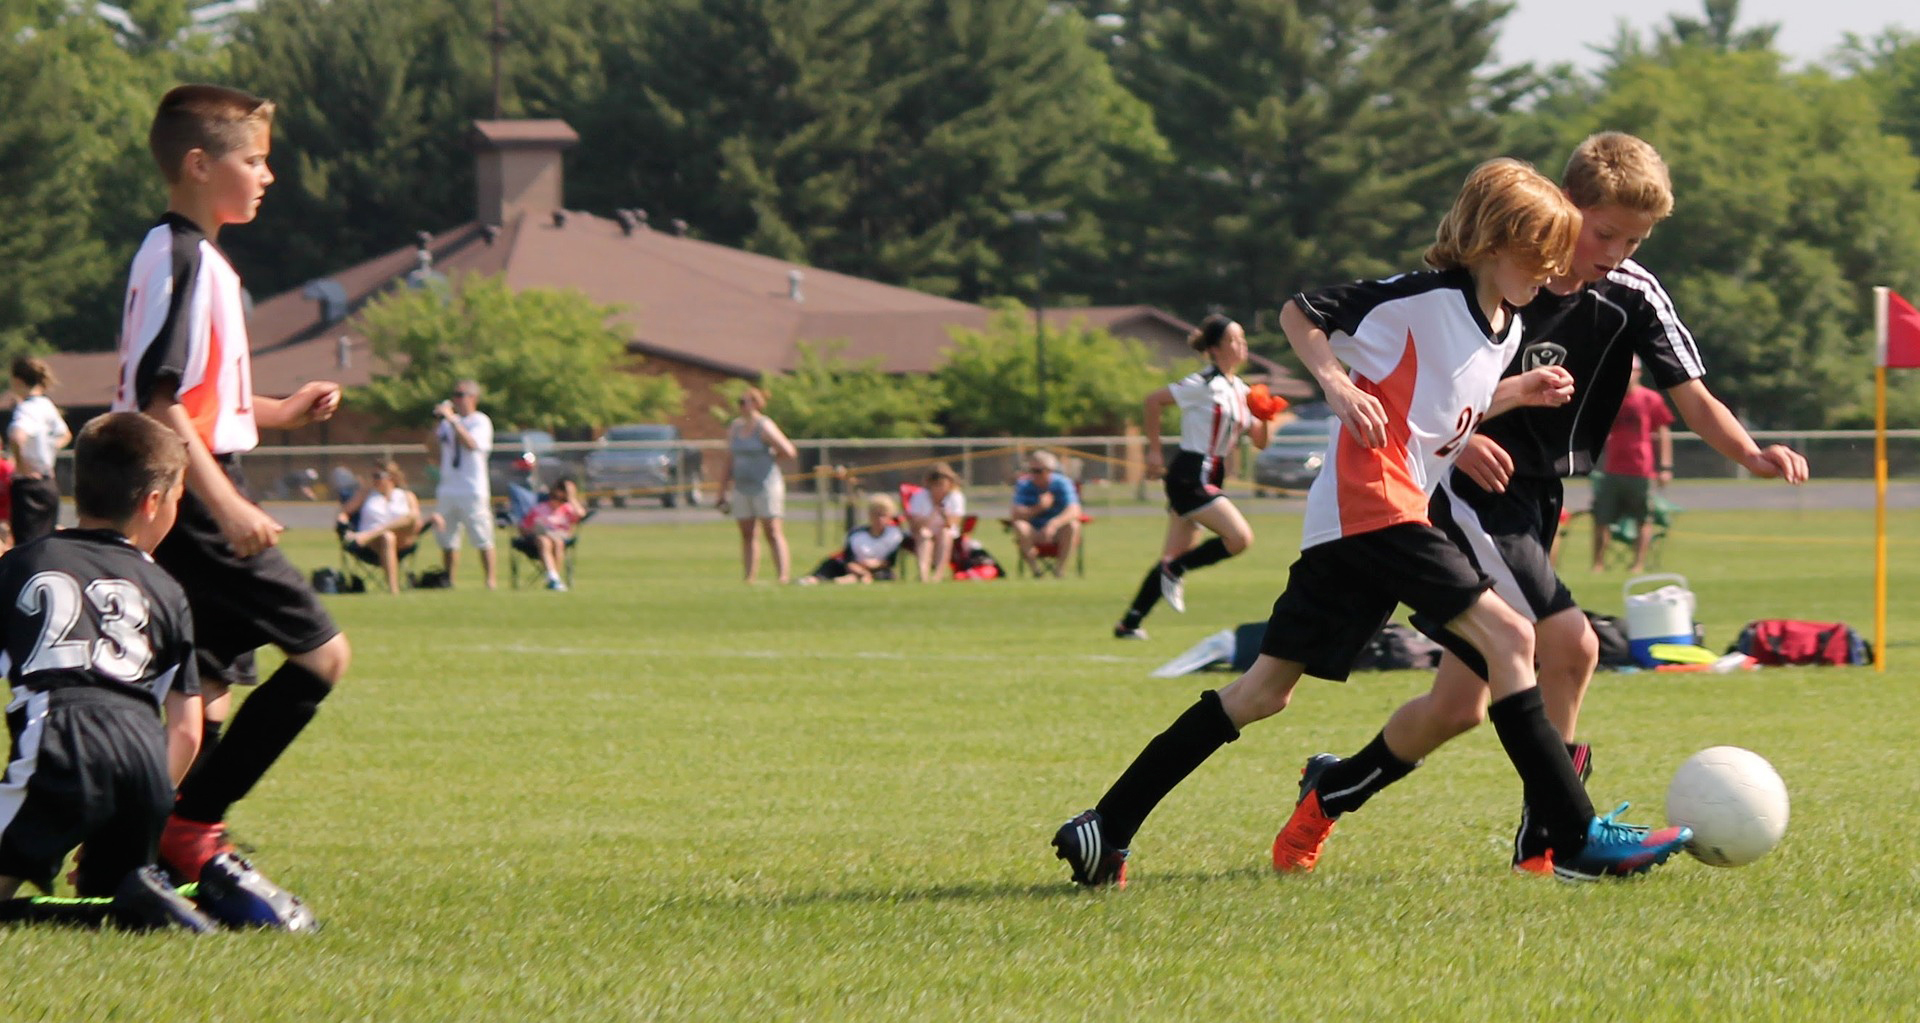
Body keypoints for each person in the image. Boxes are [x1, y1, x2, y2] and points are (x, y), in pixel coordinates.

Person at [1053, 157, 1691, 890]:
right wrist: (1335, 385)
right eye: (1537, 254)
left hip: (1359, 524)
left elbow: (1445, 409)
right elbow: (1303, 311)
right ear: (1491, 241)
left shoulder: (1505, 328)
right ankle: (1572, 836)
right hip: (1375, 506)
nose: (1550, 271)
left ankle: (1106, 824)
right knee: (1514, 635)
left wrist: (1518, 391)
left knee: (1263, 692)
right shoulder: (1420, 297)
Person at [1271, 132, 1808, 877]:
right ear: (1563, 209)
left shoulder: (1631, 295)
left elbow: (1691, 393)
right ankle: (1555, 838)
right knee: (1572, 643)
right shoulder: (1495, 279)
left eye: (1635, 238)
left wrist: (1750, 451)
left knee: (1458, 706)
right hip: (1467, 496)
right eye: (1605, 231)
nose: (1616, 249)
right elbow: (1425, 388)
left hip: (1537, 499)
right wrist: (1460, 442)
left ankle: (1330, 790)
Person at [113, 84, 349, 893]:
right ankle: (191, 831)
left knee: (203, 696)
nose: (267, 175)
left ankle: (127, 846)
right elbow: (159, 399)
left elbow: (204, 400)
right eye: (253, 159)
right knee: (323, 656)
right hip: (191, 498)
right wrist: (228, 505)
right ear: (198, 163)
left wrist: (279, 409)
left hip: (191, 486)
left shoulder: (191, 255)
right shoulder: (180, 256)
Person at [0, 413, 208, 930]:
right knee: (114, 905)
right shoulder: (167, 589)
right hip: (145, 765)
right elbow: (187, 728)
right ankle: (157, 901)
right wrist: (141, 806)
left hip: (60, 743)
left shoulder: (23, 564)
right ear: (152, 503)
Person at [1112, 314, 1276, 639]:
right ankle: (1176, 570)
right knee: (1239, 539)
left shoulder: (1241, 390)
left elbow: (1260, 441)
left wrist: (1266, 417)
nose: (1241, 346)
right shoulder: (1202, 384)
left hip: (1212, 473)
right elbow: (1153, 400)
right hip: (1190, 473)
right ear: (1214, 349)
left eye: (1243, 340)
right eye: (1233, 340)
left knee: (1172, 556)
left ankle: (1129, 623)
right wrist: (1155, 450)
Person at [1591, 357, 1674, 572]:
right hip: (1612, 468)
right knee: (1602, 517)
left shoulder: (1650, 399)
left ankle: (1637, 564)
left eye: (1631, 371)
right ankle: (1598, 563)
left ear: (1639, 373)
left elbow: (1663, 432)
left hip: (1641, 470)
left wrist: (1665, 467)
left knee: (1643, 519)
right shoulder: (1611, 398)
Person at [717, 387, 798, 583]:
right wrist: (722, 490)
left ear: (756, 403)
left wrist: (769, 461)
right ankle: (749, 577)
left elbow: (788, 450)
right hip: (742, 486)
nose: (741, 406)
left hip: (766, 485)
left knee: (772, 530)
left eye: (744, 401)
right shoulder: (735, 427)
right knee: (747, 532)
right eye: (740, 402)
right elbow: (729, 459)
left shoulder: (764, 425)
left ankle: (782, 576)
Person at [428, 379, 495, 589]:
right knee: (447, 538)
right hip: (448, 487)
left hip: (472, 488)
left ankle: (490, 580)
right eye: (455, 395)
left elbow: (472, 444)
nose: (457, 399)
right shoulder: (448, 423)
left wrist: (454, 421)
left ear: (473, 398)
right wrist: (437, 423)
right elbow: (431, 449)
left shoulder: (480, 421)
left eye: (461, 395)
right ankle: (449, 580)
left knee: (482, 535)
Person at [9, 356, 73, 544]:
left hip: (29, 486)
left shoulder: (25, 409)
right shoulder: (47, 405)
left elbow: (16, 436)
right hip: (48, 484)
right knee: (47, 542)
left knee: (27, 547)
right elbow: (65, 435)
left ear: (18, 380)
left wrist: (22, 465)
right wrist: (49, 449)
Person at [336, 460, 423, 594]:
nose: (373, 479)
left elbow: (415, 520)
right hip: (373, 545)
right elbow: (344, 513)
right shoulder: (366, 494)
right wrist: (343, 524)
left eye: (377, 475)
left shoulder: (407, 496)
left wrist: (369, 534)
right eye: (372, 476)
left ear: (391, 477)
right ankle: (394, 590)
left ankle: (371, 534)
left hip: (402, 541)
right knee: (387, 538)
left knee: (410, 517)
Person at [1008, 449, 1083, 578]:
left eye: (1038, 471)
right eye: (1031, 470)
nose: (1034, 475)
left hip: (1058, 531)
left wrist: (1053, 524)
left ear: (1050, 470)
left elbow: (1075, 510)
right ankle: (1036, 571)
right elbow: (1016, 513)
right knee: (1020, 526)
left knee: (1073, 525)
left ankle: (1059, 570)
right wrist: (1039, 507)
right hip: (1033, 530)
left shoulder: (1062, 483)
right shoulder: (1024, 484)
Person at [801, 493, 905, 584]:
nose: (880, 519)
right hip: (850, 567)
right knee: (829, 568)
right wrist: (861, 571)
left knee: (886, 575)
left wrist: (875, 564)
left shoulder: (894, 536)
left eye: (883, 515)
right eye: (876, 515)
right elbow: (848, 560)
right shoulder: (856, 535)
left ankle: (852, 579)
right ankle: (814, 579)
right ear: (870, 515)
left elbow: (889, 561)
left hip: (877, 570)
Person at [518, 476, 587, 591]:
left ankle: (554, 579)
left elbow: (581, 515)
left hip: (559, 537)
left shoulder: (568, 509)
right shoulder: (540, 508)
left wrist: (571, 498)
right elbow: (524, 527)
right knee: (544, 541)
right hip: (539, 539)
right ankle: (553, 578)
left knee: (558, 542)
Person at [904, 463, 966, 583]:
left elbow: (953, 523)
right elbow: (915, 525)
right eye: (936, 484)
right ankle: (924, 574)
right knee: (924, 534)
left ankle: (938, 574)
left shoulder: (955, 497)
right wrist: (933, 511)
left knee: (945, 533)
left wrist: (944, 514)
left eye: (942, 484)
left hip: (945, 533)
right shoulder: (919, 497)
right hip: (923, 532)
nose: (939, 488)